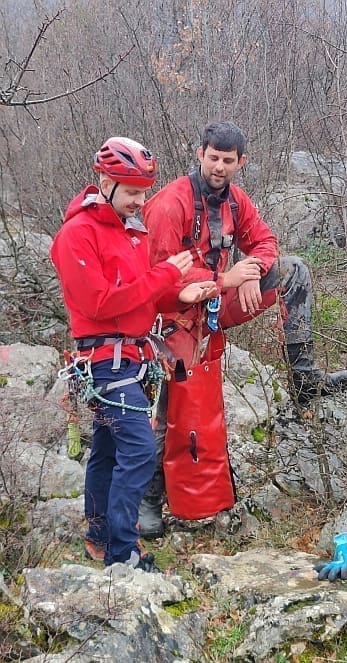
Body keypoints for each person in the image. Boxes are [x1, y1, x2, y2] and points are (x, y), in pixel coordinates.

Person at [137, 121, 347, 538]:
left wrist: (253, 271)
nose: (219, 167)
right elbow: (161, 278)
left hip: (217, 303)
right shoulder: (170, 204)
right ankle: (149, 498)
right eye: (213, 158)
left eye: (228, 161)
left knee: (294, 272)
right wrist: (226, 279)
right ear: (199, 154)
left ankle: (304, 380)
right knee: (175, 407)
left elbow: (265, 240)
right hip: (173, 317)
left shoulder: (235, 200)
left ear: (241, 162)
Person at [50, 137, 218, 572]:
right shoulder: (77, 235)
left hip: (131, 359)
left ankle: (100, 537)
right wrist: (165, 273)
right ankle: (123, 552)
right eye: (131, 192)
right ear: (104, 181)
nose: (139, 201)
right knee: (141, 450)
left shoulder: (132, 232)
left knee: (108, 449)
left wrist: (179, 293)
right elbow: (102, 304)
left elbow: (141, 299)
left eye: (143, 192)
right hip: (104, 363)